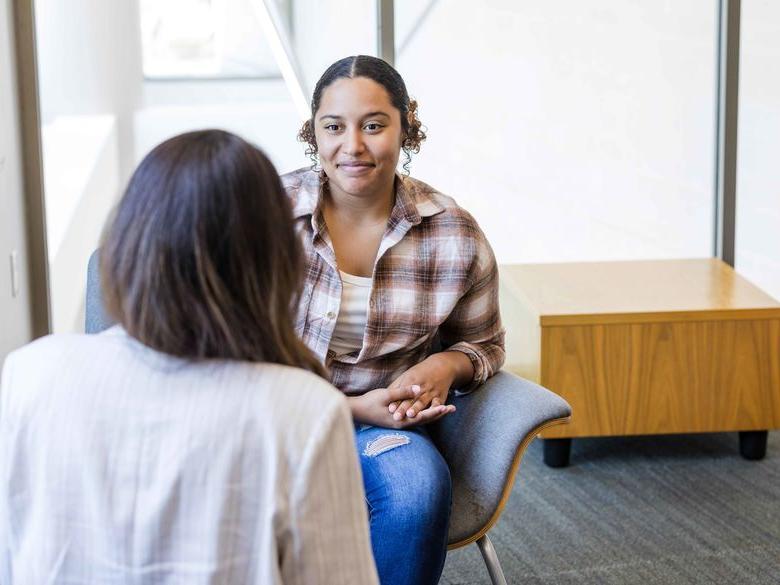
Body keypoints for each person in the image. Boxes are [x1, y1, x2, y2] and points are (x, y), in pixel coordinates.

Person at [0, 130, 381, 584]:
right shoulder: (303, 410)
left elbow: (14, 549)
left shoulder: (31, 372)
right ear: (274, 261)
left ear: (127, 243)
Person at [284, 55, 505, 585]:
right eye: (334, 126)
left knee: (416, 492)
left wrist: (448, 366)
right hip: (270, 421)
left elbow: (486, 343)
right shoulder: (261, 214)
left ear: (406, 128)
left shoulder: (453, 233)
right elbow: (216, 355)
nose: (353, 146)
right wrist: (351, 407)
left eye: (374, 125)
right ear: (313, 132)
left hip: (382, 426)